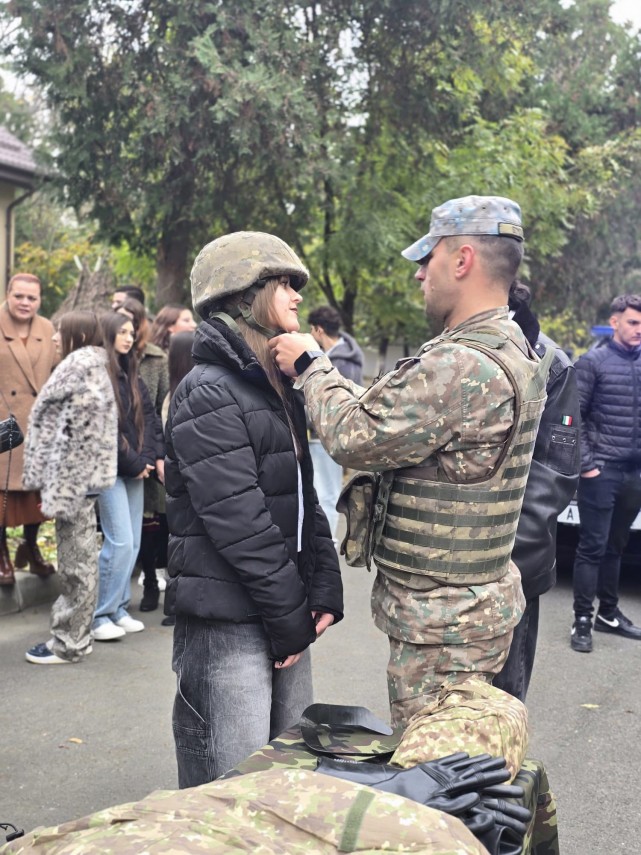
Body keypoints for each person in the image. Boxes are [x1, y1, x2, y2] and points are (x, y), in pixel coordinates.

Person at [271, 195, 548, 728]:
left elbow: (356, 435)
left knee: (436, 772)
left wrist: (310, 366)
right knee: (466, 761)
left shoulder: (459, 362)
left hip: (444, 627)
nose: (421, 274)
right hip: (471, 609)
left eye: (430, 258)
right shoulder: (509, 344)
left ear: (462, 261)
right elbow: (398, 416)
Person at [164, 231, 344, 784]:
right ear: (242, 297)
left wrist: (324, 586)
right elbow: (239, 520)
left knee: (287, 784)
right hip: (229, 625)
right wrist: (289, 617)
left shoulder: (275, 385)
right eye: (282, 284)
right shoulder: (208, 390)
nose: (295, 296)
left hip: (277, 612)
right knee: (233, 794)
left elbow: (302, 496)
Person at [492, 282, 580, 699]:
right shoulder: (454, 352)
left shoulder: (550, 363)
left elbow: (552, 477)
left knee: (501, 699)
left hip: (511, 570)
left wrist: (505, 567)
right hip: (453, 576)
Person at [22, 311, 118, 664]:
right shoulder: (91, 366)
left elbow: (81, 436)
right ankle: (77, 637)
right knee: (79, 561)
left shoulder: (80, 367)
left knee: (76, 565)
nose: (53, 338)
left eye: (59, 332)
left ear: (76, 334)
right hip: (80, 482)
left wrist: (60, 490)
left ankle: (70, 644)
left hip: (74, 484)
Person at [570, 294, 641, 652]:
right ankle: (582, 619)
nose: (638, 329)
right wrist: (588, 466)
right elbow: (574, 419)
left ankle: (608, 614)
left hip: (634, 474)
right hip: (601, 472)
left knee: (617, 546)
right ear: (615, 322)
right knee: (592, 548)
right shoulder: (592, 362)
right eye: (633, 322)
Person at [91, 312, 164, 641]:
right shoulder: (98, 373)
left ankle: (119, 608)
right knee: (118, 541)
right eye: (121, 332)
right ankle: (99, 615)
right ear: (106, 334)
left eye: (131, 332)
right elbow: (107, 429)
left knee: (132, 541)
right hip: (110, 469)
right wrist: (135, 461)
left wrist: (148, 457)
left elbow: (147, 416)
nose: (128, 337)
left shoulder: (131, 371)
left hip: (136, 468)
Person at [0, 272, 58, 586]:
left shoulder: (48, 328)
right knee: (2, 496)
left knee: (37, 497)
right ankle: (2, 555)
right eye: (19, 296)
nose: (25, 303)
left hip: (38, 426)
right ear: (8, 294)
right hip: (4, 427)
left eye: (32, 298)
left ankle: (31, 548)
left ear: (40, 300)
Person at [117, 297, 169, 613]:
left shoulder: (156, 358)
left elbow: (158, 409)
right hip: (120, 453)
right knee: (124, 528)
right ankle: (144, 578)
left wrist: (157, 454)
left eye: (130, 322)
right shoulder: (107, 358)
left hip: (150, 449)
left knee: (154, 517)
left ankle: (154, 581)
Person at [306, 305, 364, 540]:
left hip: (328, 437)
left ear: (318, 330)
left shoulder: (342, 361)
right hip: (320, 437)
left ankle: (325, 547)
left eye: (311, 329)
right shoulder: (339, 356)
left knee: (327, 496)